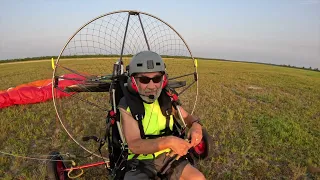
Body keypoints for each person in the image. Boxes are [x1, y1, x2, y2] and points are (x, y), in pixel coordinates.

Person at [119, 50, 206, 180]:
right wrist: (169, 141)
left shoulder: (167, 99)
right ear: (133, 81)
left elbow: (188, 118)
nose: (152, 86)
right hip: (140, 160)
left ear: (163, 80)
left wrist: (196, 126)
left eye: (156, 79)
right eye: (144, 80)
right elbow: (135, 145)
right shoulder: (128, 105)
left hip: (169, 156)